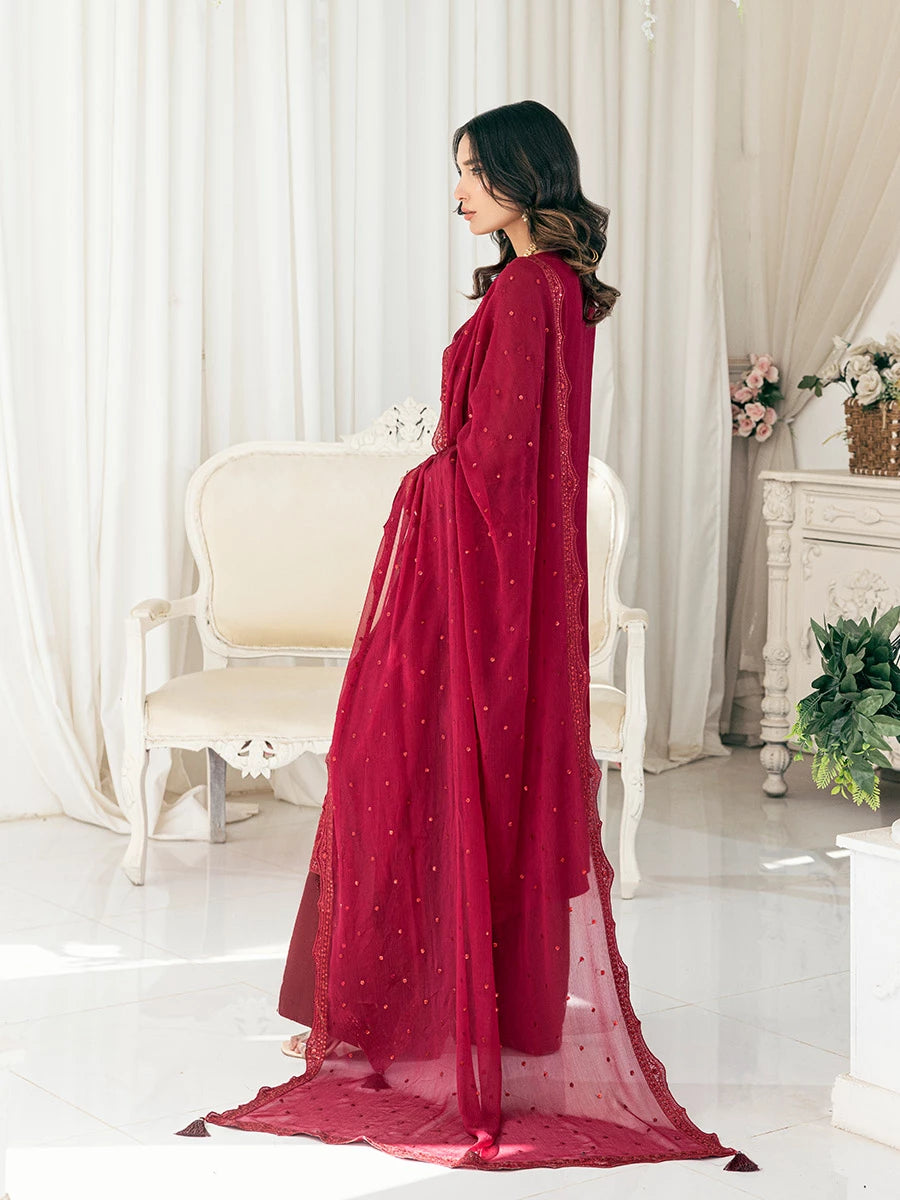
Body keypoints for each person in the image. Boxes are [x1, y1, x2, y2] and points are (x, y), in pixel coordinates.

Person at [195, 100, 757, 1174]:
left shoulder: (533, 290)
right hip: (484, 583)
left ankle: (413, 1022)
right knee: (448, 784)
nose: (455, 191)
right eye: (455, 171)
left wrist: (419, 485)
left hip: (471, 588)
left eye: (471, 171)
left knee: (410, 778)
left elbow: (497, 463)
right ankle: (449, 1016)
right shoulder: (545, 288)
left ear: (521, 173)